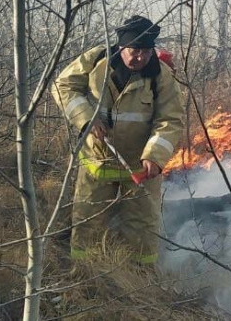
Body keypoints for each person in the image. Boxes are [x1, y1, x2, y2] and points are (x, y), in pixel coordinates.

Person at [51, 15, 185, 264]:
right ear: (122, 47)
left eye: (146, 52)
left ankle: (138, 285)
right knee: (88, 223)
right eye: (135, 51)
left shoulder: (161, 75)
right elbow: (62, 85)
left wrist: (155, 156)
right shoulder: (96, 61)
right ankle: (85, 279)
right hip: (97, 162)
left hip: (140, 167)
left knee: (142, 230)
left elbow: (171, 118)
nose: (140, 58)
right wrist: (86, 118)